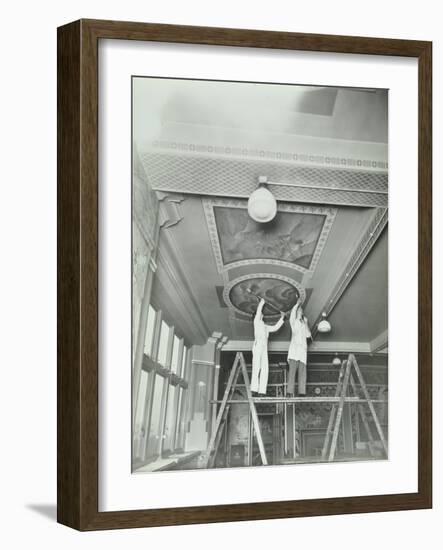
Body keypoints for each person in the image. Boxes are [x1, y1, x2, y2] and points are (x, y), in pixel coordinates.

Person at [251, 298, 284, 395]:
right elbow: (258, 312)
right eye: (260, 313)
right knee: (256, 367)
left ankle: (261, 390)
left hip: (264, 347)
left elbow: (275, 328)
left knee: (265, 368)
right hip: (257, 345)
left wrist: (282, 318)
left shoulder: (265, 326)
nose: (261, 314)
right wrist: (262, 302)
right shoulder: (256, 322)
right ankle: (254, 389)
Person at [287, 298, 312, 396]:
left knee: (302, 373)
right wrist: (296, 305)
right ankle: (289, 392)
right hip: (294, 352)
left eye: (302, 310)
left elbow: (308, 335)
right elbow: (292, 314)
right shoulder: (293, 322)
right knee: (292, 372)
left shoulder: (303, 324)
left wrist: (306, 323)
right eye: (300, 310)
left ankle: (302, 392)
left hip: (302, 352)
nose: (301, 311)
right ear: (297, 311)